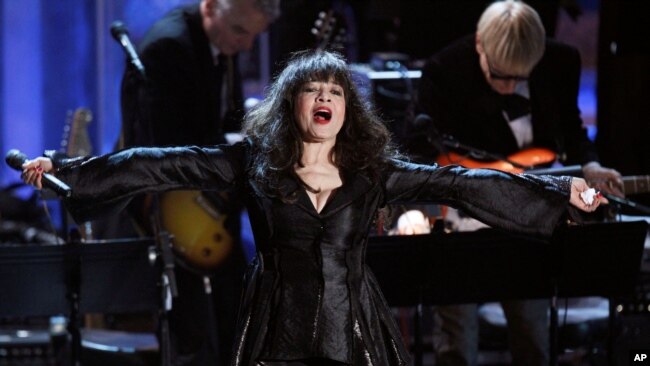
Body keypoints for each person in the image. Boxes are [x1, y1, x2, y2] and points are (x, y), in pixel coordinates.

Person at [21, 49, 605, 366]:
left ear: (347, 108)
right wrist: (67, 172)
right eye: (311, 89)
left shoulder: (373, 171)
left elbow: (462, 185)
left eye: (335, 91)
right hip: (277, 327)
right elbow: (159, 162)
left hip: (354, 327)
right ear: (291, 104)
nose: (324, 97)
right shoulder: (253, 162)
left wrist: (563, 198)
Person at [413, 1, 623, 365]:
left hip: (531, 217)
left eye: (519, 78)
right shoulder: (444, 71)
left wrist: (590, 163)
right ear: (480, 43)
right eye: (499, 76)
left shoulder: (561, 61)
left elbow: (572, 127)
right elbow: (420, 150)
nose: (509, 88)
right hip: (463, 220)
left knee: (533, 336)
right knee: (457, 341)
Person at [116, 0, 280, 365]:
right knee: (195, 331)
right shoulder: (169, 48)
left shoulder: (219, 41)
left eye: (255, 36)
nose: (248, 46)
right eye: (241, 31)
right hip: (176, 208)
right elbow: (165, 145)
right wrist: (231, 151)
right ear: (209, 7)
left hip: (210, 202)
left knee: (236, 310)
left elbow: (224, 117)